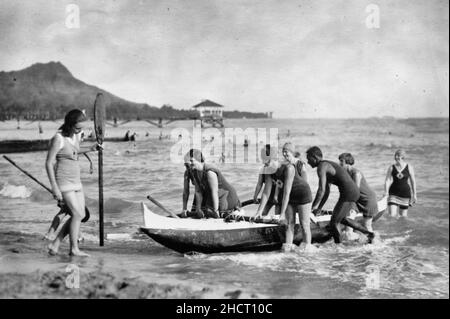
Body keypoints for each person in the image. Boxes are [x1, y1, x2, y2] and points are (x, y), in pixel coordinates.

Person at [45, 109, 101, 257]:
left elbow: (74, 151)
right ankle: (74, 249)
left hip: (77, 181)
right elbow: (49, 163)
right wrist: (54, 187)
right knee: (76, 213)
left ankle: (55, 244)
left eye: (81, 128)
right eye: (77, 128)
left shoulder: (76, 136)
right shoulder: (58, 138)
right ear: (69, 125)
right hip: (63, 181)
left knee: (80, 215)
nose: (80, 131)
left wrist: (91, 148)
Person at [306, 146, 377, 244]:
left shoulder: (322, 167)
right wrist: (319, 208)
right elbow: (326, 192)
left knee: (333, 223)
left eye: (308, 158)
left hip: (349, 193)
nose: (307, 162)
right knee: (342, 219)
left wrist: (312, 207)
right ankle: (369, 234)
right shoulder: (326, 165)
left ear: (314, 157)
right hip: (351, 192)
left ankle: (338, 247)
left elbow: (321, 190)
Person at [187, 149, 240, 218]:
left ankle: (228, 210)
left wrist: (215, 211)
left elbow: (214, 192)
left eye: (191, 161)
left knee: (211, 212)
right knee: (203, 211)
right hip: (214, 195)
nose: (189, 163)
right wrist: (198, 209)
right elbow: (198, 192)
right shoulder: (195, 172)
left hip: (226, 196)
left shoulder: (210, 172)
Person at [339, 153, 378, 232]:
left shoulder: (356, 173)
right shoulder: (345, 173)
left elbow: (355, 190)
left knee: (367, 225)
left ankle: (373, 242)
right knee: (348, 220)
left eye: (341, 161)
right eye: (339, 161)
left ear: (348, 162)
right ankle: (349, 241)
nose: (339, 164)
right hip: (356, 199)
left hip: (368, 200)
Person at [384, 149, 417, 217]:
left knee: (403, 217)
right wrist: (386, 192)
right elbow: (387, 180)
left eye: (398, 155)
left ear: (403, 157)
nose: (397, 157)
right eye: (396, 156)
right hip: (393, 194)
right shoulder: (391, 167)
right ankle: (392, 227)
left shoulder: (409, 167)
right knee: (392, 216)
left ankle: (401, 228)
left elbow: (413, 181)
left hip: (405, 195)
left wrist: (415, 195)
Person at [252, 144, 281, 218]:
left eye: (265, 160)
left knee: (277, 214)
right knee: (262, 213)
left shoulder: (280, 168)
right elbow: (260, 185)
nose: (263, 162)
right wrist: (255, 196)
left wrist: (276, 196)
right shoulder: (264, 169)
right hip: (269, 195)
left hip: (280, 196)